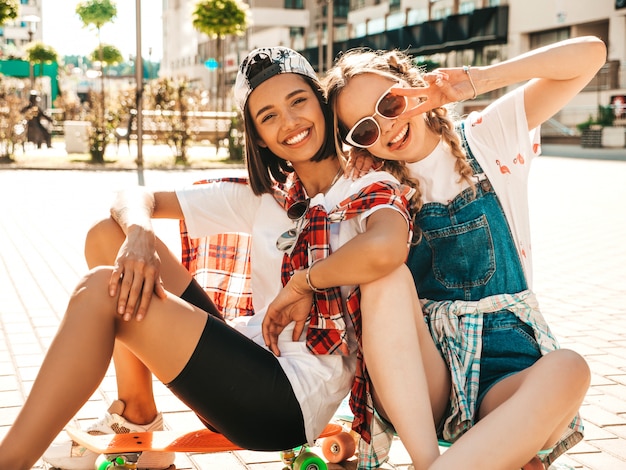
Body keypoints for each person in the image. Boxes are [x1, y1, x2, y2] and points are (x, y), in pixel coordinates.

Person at [2, 46, 450, 470]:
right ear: (258, 136)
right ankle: (137, 412)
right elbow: (132, 196)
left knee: (102, 290)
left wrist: (304, 282)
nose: (290, 122)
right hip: (242, 363)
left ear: (322, 102)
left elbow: (388, 248)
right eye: (268, 116)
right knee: (108, 237)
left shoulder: (368, 187)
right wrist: (139, 231)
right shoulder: (270, 198)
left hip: (284, 403)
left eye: (298, 101)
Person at [324, 36, 605, 469]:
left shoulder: (488, 138)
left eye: (390, 103)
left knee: (570, 368)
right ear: (358, 142)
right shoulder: (373, 187)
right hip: (424, 377)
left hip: (508, 375)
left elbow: (590, 55)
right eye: (365, 129)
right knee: (385, 274)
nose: (386, 127)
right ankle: (430, 461)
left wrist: (475, 81)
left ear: (413, 83)